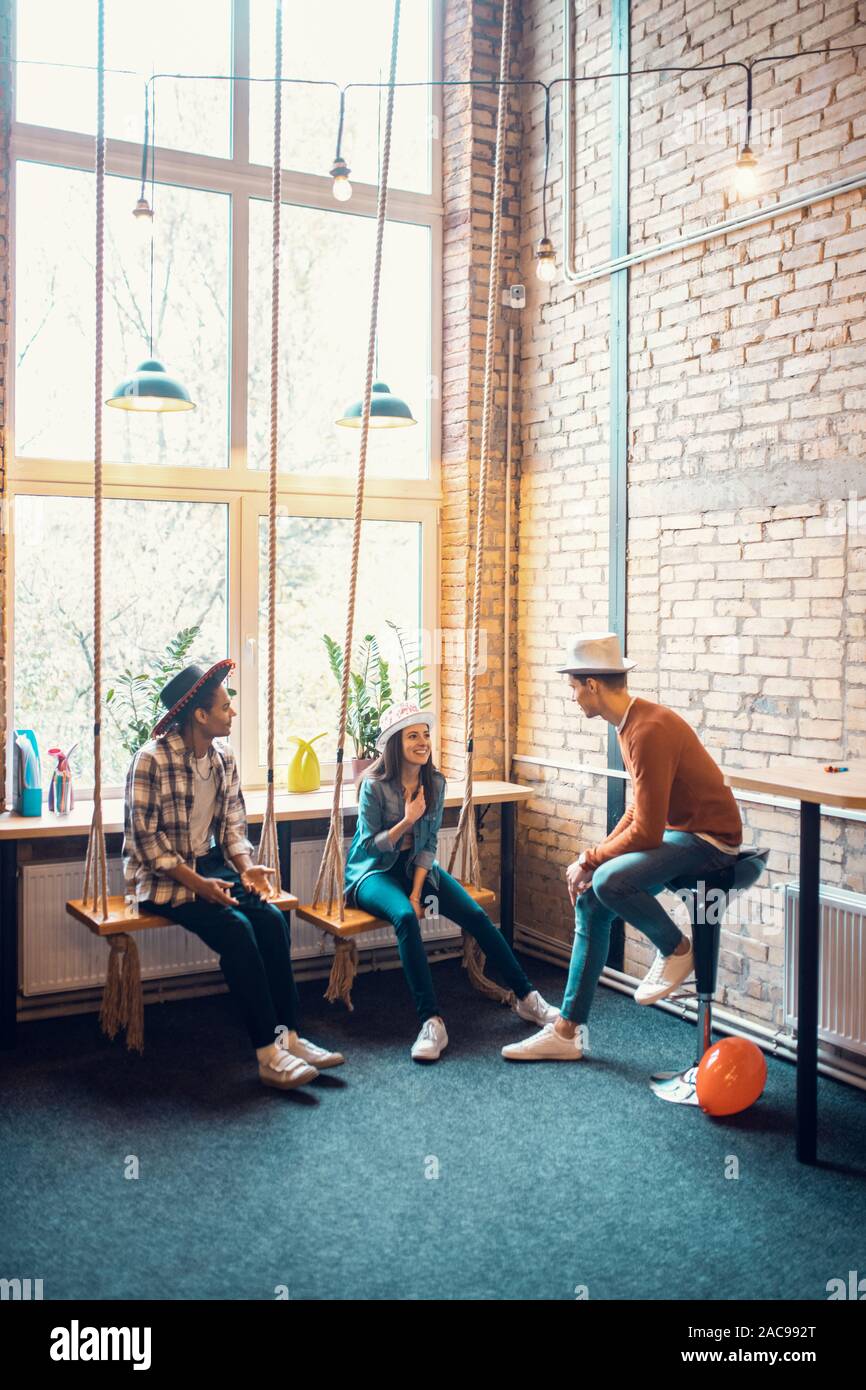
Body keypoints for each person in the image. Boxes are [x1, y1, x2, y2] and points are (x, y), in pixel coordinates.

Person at [502, 632, 743, 1062]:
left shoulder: (648, 730)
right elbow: (637, 813)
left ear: (592, 685)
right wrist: (587, 858)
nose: (574, 698)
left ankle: (676, 950)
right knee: (593, 899)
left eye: (574, 687)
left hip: (711, 841)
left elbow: (648, 833)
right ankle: (566, 1032)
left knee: (610, 879)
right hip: (681, 833)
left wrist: (596, 861)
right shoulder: (629, 724)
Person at [123, 659, 344, 1091]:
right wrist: (199, 885)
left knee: (272, 919)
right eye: (226, 706)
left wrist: (246, 869)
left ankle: (289, 1038)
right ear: (200, 715)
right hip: (163, 880)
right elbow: (146, 845)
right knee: (238, 932)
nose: (233, 713)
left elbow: (232, 827)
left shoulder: (224, 759)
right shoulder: (150, 761)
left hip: (211, 867)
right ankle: (267, 1055)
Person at [344, 700, 559, 1061]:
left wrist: (417, 891)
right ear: (396, 743)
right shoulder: (374, 786)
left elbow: (427, 846)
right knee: (407, 918)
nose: (423, 742)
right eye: (413, 735)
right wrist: (407, 820)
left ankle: (526, 998)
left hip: (416, 869)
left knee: (475, 914)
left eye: (426, 735)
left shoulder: (435, 782)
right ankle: (431, 1022)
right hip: (373, 872)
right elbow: (368, 845)